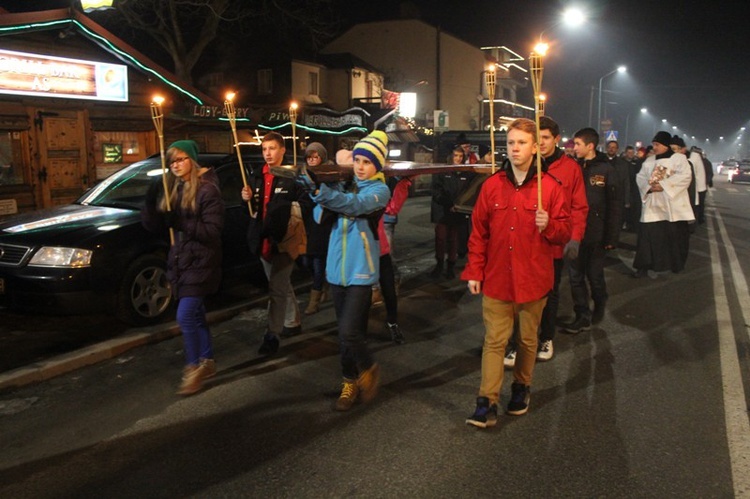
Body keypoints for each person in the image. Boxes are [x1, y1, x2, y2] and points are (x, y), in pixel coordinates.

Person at [462, 118, 571, 428]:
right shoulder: (492, 185)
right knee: (494, 341)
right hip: (497, 278)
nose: (515, 148)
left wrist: (548, 224)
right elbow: (478, 232)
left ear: (536, 147)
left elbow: (564, 233)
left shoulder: (549, 188)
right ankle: (486, 402)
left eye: (522, 142)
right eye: (511, 142)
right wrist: (474, 270)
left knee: (526, 340)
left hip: (533, 280)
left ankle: (521, 388)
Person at [296, 130, 391, 411]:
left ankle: (369, 367)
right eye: (357, 161)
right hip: (337, 272)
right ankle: (349, 382)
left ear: (377, 165)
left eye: (366, 162)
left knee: (350, 331)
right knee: (347, 333)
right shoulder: (344, 187)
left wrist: (320, 192)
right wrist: (324, 196)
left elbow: (355, 206)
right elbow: (319, 217)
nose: (360, 167)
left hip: (362, 272)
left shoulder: (379, 191)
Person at [142, 140, 224, 395]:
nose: (176, 165)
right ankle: (207, 361)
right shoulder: (175, 187)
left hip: (202, 261)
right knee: (196, 314)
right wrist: (151, 205)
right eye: (172, 161)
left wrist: (180, 221)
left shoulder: (208, 190)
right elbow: (154, 226)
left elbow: (212, 231)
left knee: (185, 315)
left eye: (181, 159)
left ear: (192, 160)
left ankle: (192, 369)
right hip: (180, 260)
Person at [504, 116, 588, 364]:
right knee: (515, 293)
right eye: (536, 138)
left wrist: (575, 238)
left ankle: (545, 337)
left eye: (545, 138)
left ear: (556, 139)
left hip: (552, 243)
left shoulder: (569, 168)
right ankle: (513, 341)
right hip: (522, 242)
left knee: (549, 294)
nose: (540, 143)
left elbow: (579, 207)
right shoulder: (521, 165)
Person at [241, 132, 311, 355]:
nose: (268, 153)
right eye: (264, 149)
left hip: (285, 239)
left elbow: (305, 204)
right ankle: (292, 320)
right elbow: (252, 209)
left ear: (283, 150)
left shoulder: (292, 175)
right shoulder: (256, 175)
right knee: (280, 284)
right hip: (263, 238)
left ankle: (272, 335)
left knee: (276, 288)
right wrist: (246, 197)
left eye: (272, 148)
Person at [562, 128, 621, 333]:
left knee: (594, 276)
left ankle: (600, 301)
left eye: (577, 144)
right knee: (575, 276)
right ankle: (582, 315)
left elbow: (615, 205)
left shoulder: (606, 169)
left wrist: (612, 237)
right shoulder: (572, 167)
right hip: (574, 233)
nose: (574, 148)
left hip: (597, 232)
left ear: (590, 146)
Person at [632, 131, 694, 277]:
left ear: (666, 145)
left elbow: (685, 176)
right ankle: (643, 267)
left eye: (657, 144)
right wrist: (648, 187)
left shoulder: (678, 158)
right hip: (653, 205)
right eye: (653, 144)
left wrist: (664, 185)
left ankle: (675, 265)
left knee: (673, 238)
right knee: (646, 238)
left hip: (672, 205)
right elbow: (640, 177)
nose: (654, 147)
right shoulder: (649, 161)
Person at [430, 146, 476, 279]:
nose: (458, 159)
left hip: (457, 211)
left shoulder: (465, 173)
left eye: (460, 156)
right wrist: (447, 203)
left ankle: (450, 266)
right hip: (443, 212)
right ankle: (439, 265)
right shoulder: (442, 171)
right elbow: (436, 190)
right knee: (440, 239)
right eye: (456, 156)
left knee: (454, 239)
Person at [302, 142, 335, 315]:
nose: (313, 160)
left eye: (316, 157)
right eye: (310, 157)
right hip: (309, 226)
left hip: (323, 226)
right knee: (307, 261)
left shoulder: (331, 176)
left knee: (317, 263)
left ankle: (314, 301)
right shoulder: (304, 176)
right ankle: (324, 284)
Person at [605, 140, 631, 230]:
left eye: (614, 147)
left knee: (615, 222)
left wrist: (627, 200)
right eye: (610, 147)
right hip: (603, 196)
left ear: (617, 149)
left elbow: (626, 182)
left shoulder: (623, 163)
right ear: (606, 148)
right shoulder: (601, 161)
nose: (611, 149)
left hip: (617, 197)